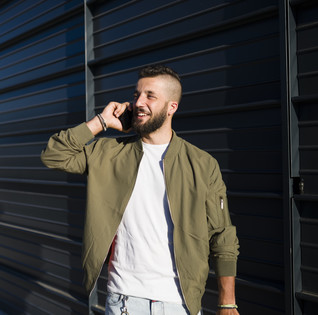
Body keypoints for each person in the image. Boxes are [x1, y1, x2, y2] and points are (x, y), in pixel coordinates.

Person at [41, 65, 240, 315]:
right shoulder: (108, 153)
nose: (138, 102)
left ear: (172, 107)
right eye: (136, 95)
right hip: (124, 300)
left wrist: (227, 303)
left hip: (180, 304)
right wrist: (101, 121)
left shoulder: (201, 164)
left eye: (150, 96)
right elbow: (53, 155)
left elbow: (222, 235)